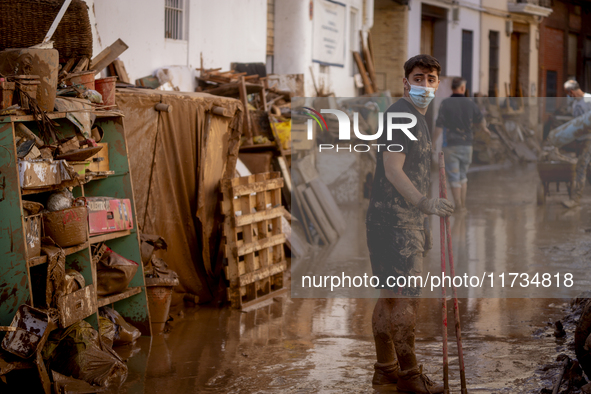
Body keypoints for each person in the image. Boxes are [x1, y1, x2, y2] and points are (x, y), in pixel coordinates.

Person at [366, 54, 454, 393]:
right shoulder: (402, 115)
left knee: (388, 296)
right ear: (406, 82)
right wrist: (425, 204)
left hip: (389, 220)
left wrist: (425, 217)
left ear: (438, 83)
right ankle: (410, 377)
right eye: (419, 78)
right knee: (404, 299)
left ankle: (385, 370)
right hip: (398, 223)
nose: (426, 85)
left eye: (432, 79)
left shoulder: (413, 117)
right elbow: (393, 169)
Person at [433, 77, 490, 212]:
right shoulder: (470, 104)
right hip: (467, 145)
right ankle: (463, 206)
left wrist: (432, 142)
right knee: (463, 176)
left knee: (454, 176)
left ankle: (458, 205)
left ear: (452, 88)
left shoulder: (445, 103)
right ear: (463, 88)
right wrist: (484, 129)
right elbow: (481, 120)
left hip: (450, 145)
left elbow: (439, 126)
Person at [563, 80, 591, 208]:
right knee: (587, 169)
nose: (569, 96)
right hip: (579, 141)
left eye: (569, 93)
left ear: (572, 91)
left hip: (589, 139)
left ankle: (575, 200)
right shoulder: (574, 105)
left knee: (580, 168)